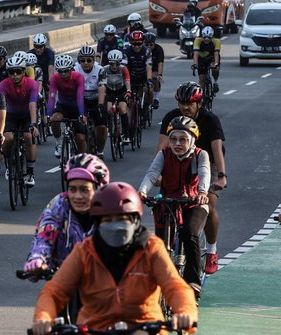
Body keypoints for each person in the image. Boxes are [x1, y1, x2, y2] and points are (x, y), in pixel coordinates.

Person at [31, 182, 198, 334]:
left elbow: (175, 286)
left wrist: (184, 311)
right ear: (97, 222)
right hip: (94, 327)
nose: (115, 225)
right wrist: (43, 317)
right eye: (108, 220)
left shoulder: (152, 248)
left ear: (135, 220)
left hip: (144, 327)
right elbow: (54, 291)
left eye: (121, 219)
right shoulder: (84, 251)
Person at [156, 81, 226, 275]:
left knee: (208, 204)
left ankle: (211, 250)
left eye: (190, 104)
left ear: (199, 104)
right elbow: (162, 147)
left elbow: (217, 148)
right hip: (177, 160)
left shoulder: (210, 119)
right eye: (182, 103)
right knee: (166, 203)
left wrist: (221, 175)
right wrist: (158, 173)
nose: (185, 107)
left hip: (205, 162)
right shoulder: (171, 117)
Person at [140, 116, 210, 300]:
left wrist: (202, 192)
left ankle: (193, 282)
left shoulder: (200, 155)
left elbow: (204, 173)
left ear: (192, 140)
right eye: (173, 139)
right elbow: (152, 173)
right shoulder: (164, 154)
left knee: (189, 232)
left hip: (195, 203)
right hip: (169, 203)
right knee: (161, 244)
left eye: (183, 139)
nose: (177, 144)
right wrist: (142, 191)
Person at [24, 154, 109, 272]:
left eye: (84, 189)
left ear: (98, 189)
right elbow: (45, 233)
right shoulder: (59, 204)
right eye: (72, 189)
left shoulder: (110, 208)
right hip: (64, 280)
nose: (77, 196)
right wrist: (37, 257)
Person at [0, 56, 39, 187]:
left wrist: (33, 124)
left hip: (27, 114)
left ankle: (30, 173)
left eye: (18, 71)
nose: (15, 75)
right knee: (8, 138)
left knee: (28, 136)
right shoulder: (3, 85)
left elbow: (33, 105)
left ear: (24, 72)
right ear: (8, 73)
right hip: (10, 115)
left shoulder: (32, 84)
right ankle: (9, 163)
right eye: (11, 72)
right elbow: (2, 107)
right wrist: (0, 129)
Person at [47, 54, 87, 156]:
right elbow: (52, 97)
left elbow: (80, 97)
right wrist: (48, 114)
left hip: (77, 106)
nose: (63, 74)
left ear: (71, 69)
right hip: (63, 105)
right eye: (60, 71)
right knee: (55, 119)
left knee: (81, 138)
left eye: (65, 71)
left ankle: (82, 160)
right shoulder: (55, 78)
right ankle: (59, 143)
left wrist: (82, 114)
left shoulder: (79, 77)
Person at [75, 46, 107, 159]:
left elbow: (102, 87)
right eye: (83, 60)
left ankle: (100, 151)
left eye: (89, 60)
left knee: (102, 127)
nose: (86, 63)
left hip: (96, 98)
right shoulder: (75, 69)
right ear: (79, 61)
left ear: (94, 60)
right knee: (79, 125)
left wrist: (101, 104)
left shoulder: (100, 69)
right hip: (81, 99)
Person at [122, 30, 153, 141]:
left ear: (143, 42)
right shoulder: (126, 51)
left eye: (139, 43)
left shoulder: (147, 51)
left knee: (149, 90)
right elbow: (124, 69)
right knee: (130, 102)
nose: (137, 46)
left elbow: (149, 66)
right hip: (131, 77)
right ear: (130, 42)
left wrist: (149, 80)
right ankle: (129, 129)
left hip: (143, 76)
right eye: (134, 43)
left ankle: (145, 109)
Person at [99, 50, 132, 139]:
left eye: (117, 64)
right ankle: (109, 128)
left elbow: (127, 81)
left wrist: (128, 91)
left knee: (122, 108)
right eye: (112, 64)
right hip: (109, 91)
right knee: (109, 109)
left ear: (120, 62)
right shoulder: (104, 69)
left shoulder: (123, 68)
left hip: (121, 91)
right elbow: (102, 83)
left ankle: (126, 133)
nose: (114, 66)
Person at [192, 26, 220, 93]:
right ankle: (200, 95)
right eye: (204, 37)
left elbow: (216, 54)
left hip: (212, 58)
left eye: (209, 37)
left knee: (214, 68)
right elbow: (196, 53)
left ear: (212, 36)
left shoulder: (216, 41)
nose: (206, 39)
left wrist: (216, 64)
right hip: (201, 59)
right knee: (201, 79)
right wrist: (195, 64)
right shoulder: (198, 40)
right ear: (202, 36)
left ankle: (215, 82)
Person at [146, 32, 164, 109]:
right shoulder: (142, 50)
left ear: (154, 43)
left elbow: (160, 63)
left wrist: (159, 75)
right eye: (146, 45)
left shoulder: (159, 49)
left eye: (151, 45)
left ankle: (156, 98)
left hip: (154, 69)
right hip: (143, 68)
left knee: (156, 78)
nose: (149, 47)